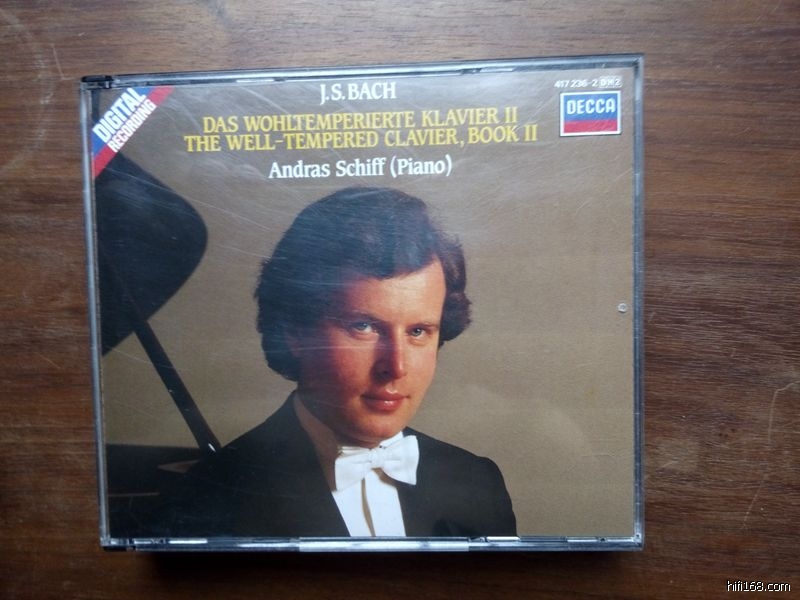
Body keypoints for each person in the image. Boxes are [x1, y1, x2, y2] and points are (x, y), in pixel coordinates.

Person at [157, 187, 516, 538]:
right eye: (363, 327)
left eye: (418, 331)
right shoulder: (208, 500)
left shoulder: (478, 482)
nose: (396, 366)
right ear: (295, 331)